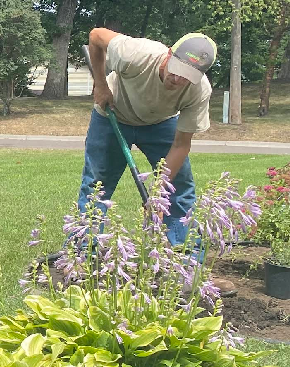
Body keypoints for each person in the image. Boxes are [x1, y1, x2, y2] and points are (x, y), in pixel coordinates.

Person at [81, 29, 216, 247]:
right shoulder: (136, 54)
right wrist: (101, 84)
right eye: (178, 68)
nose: (178, 78)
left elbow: (181, 145)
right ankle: (83, 254)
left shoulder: (199, 91)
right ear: (170, 54)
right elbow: (96, 36)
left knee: (178, 188)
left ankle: (184, 258)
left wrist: (158, 193)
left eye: (188, 76)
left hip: (160, 122)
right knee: (96, 186)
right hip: (113, 113)